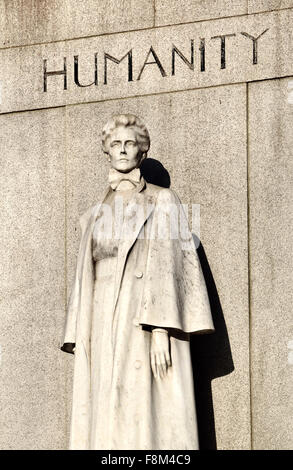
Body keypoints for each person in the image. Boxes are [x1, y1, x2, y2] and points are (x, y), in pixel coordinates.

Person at [61, 113, 215, 450]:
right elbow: (84, 275)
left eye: (130, 143)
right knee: (104, 408)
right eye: (115, 143)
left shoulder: (163, 199)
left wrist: (161, 329)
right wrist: (79, 331)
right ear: (107, 150)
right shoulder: (94, 213)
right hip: (101, 319)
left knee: (143, 409)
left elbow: (170, 266)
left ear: (141, 152)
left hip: (142, 316)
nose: (122, 149)